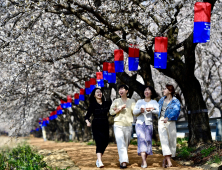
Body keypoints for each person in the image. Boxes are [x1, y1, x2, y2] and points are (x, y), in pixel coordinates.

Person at [109, 84, 135, 169]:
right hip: (118, 124)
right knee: (121, 143)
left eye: (122, 89)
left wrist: (141, 109)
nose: (120, 91)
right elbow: (111, 112)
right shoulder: (116, 101)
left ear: (127, 91)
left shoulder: (131, 101)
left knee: (125, 144)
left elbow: (135, 112)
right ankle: (123, 162)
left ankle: (122, 158)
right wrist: (119, 108)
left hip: (128, 125)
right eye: (119, 89)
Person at [133, 86, 159, 168]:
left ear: (151, 93)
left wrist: (151, 109)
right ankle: (144, 162)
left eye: (148, 90)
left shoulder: (154, 102)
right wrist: (140, 110)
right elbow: (134, 112)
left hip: (149, 124)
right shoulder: (139, 101)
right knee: (141, 140)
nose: (146, 91)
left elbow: (158, 111)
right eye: (145, 90)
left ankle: (144, 159)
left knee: (147, 141)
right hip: (139, 123)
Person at [85, 88, 111, 168]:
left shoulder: (107, 103)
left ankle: (98, 159)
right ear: (94, 95)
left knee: (105, 142)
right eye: (97, 92)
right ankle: (99, 161)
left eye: (100, 92)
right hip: (96, 125)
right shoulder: (92, 105)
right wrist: (88, 122)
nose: (99, 93)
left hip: (105, 125)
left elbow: (112, 111)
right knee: (99, 143)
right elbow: (87, 116)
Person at [158, 84, 181, 168]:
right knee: (164, 141)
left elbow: (176, 110)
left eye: (165, 89)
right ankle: (169, 161)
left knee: (172, 141)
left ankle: (165, 160)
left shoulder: (175, 101)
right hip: (161, 121)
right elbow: (157, 109)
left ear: (170, 91)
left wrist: (168, 117)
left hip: (171, 122)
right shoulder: (161, 100)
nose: (163, 90)